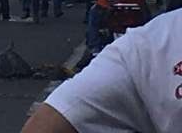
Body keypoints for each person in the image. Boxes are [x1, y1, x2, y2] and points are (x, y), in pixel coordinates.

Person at [22, 9, 182, 133]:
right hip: (134, 2)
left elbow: (47, 123)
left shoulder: (147, 45)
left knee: (94, 19)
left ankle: (93, 47)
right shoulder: (146, 47)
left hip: (112, 3)